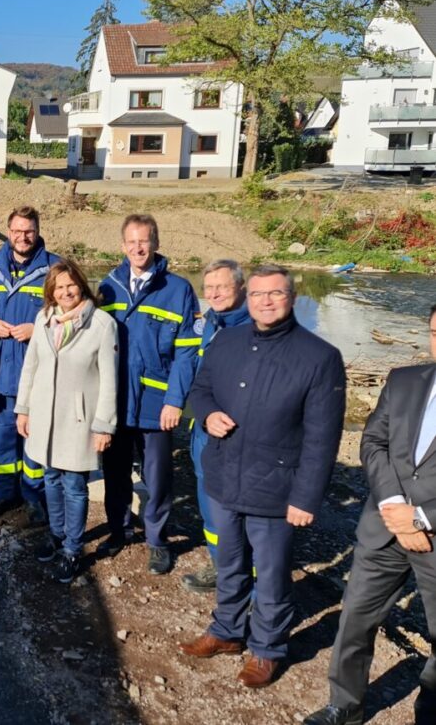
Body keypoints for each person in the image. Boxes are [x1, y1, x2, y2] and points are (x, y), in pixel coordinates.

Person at [180, 265, 345, 689]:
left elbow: (322, 438)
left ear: (292, 296)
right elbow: (199, 390)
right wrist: (208, 413)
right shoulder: (227, 341)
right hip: (223, 476)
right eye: (257, 294)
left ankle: (268, 649)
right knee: (230, 563)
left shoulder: (319, 358)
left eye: (274, 294)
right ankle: (226, 632)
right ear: (246, 297)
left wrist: (306, 498)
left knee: (270, 574)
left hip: (275, 487)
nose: (265, 301)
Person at [304, 307, 436, 725]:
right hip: (383, 526)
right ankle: (345, 704)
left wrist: (422, 518)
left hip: (432, 536)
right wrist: (394, 504)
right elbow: (373, 443)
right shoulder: (404, 380)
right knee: (356, 619)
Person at [97, 213, 200, 575]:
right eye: (132, 242)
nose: (138, 248)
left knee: (158, 477)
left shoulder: (178, 290)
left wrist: (175, 400)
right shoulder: (107, 287)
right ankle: (119, 530)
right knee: (115, 472)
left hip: (158, 406)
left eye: (145, 241)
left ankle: (157, 540)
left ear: (156, 243)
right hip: (117, 402)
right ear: (122, 246)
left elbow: (188, 351)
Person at [14, 259, 117, 584]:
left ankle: (73, 548)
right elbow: (30, 367)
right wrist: (24, 408)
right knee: (50, 478)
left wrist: (104, 424)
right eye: (59, 287)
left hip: (78, 419)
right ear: (51, 292)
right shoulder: (44, 318)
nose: (66, 291)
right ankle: (56, 535)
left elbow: (109, 379)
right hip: (44, 415)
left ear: (82, 286)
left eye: (71, 285)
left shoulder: (101, 324)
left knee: (73, 485)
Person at [0, 206, 61, 521]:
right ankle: (3, 494)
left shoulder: (55, 270)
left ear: (38, 231)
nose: (22, 236)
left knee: (34, 441)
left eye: (28, 231)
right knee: (1, 440)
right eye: (17, 230)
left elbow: (69, 317)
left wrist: (38, 329)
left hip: (37, 374)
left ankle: (33, 497)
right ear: (8, 231)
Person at [177, 260, 251, 595]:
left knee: (239, 509)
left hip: (237, 435)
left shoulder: (256, 326)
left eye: (222, 287)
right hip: (204, 429)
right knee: (209, 502)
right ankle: (219, 565)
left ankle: (246, 582)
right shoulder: (211, 321)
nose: (214, 294)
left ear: (241, 287)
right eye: (208, 288)